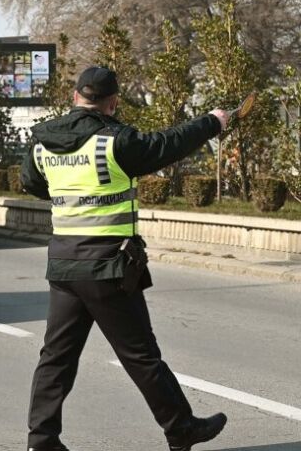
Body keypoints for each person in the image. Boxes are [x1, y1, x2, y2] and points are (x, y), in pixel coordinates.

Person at [21, 66, 230, 451]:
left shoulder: (41, 142)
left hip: (64, 266)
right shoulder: (114, 141)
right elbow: (166, 145)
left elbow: (33, 184)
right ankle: (180, 427)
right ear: (113, 102)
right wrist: (211, 123)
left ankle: (42, 441)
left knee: (56, 358)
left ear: (74, 97)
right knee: (141, 356)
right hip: (107, 267)